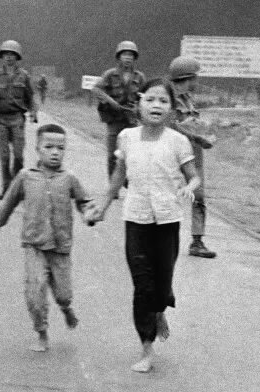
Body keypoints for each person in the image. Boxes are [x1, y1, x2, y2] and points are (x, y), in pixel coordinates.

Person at [91, 78, 202, 373]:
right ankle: (146, 347)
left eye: (163, 101)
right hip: (136, 219)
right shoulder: (126, 137)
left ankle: (159, 309)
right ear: (139, 104)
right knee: (142, 285)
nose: (156, 105)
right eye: (150, 99)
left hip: (167, 220)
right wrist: (103, 205)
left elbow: (194, 176)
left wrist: (189, 187)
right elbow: (119, 174)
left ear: (172, 109)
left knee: (162, 283)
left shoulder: (178, 141)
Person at [0, 124, 96, 352]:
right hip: (34, 245)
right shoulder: (25, 177)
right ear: (37, 148)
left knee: (64, 294)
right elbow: (8, 203)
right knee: (35, 292)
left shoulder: (69, 178)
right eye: (49, 147)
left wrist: (88, 213)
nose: (55, 152)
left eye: (60, 148)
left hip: (60, 247)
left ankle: (65, 308)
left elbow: (84, 201)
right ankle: (42, 332)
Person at [168, 56, 217, 258]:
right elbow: (171, 126)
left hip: (194, 154)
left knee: (199, 197)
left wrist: (205, 134)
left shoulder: (189, 99)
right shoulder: (169, 98)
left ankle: (197, 242)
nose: (197, 80)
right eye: (195, 77)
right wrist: (197, 137)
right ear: (186, 77)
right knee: (168, 197)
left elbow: (193, 124)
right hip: (174, 155)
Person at [0, 39, 38, 200]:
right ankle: (7, 189)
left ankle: (16, 188)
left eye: (12, 54)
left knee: (19, 156)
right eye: (6, 54)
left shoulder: (24, 76)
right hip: (1, 120)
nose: (8, 57)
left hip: (17, 119)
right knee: (4, 157)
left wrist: (33, 112)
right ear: (2, 56)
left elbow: (31, 97)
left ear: (17, 57)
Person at [91, 41, 146, 199]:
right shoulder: (110, 74)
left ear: (134, 58)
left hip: (131, 120)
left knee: (131, 154)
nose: (127, 58)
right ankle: (113, 188)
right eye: (124, 55)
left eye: (130, 55)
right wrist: (110, 101)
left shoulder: (139, 77)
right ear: (119, 57)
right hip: (114, 120)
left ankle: (128, 182)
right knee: (112, 155)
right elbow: (96, 89)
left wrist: (138, 107)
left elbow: (145, 96)